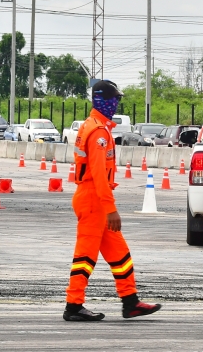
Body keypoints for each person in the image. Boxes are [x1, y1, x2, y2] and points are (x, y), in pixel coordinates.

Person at [64, 79, 162, 322]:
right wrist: (110, 209)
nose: (116, 104)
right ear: (103, 101)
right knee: (85, 256)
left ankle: (131, 302)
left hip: (94, 198)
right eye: (114, 99)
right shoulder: (97, 131)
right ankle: (73, 305)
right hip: (93, 199)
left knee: (119, 254)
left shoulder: (95, 125)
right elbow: (98, 174)